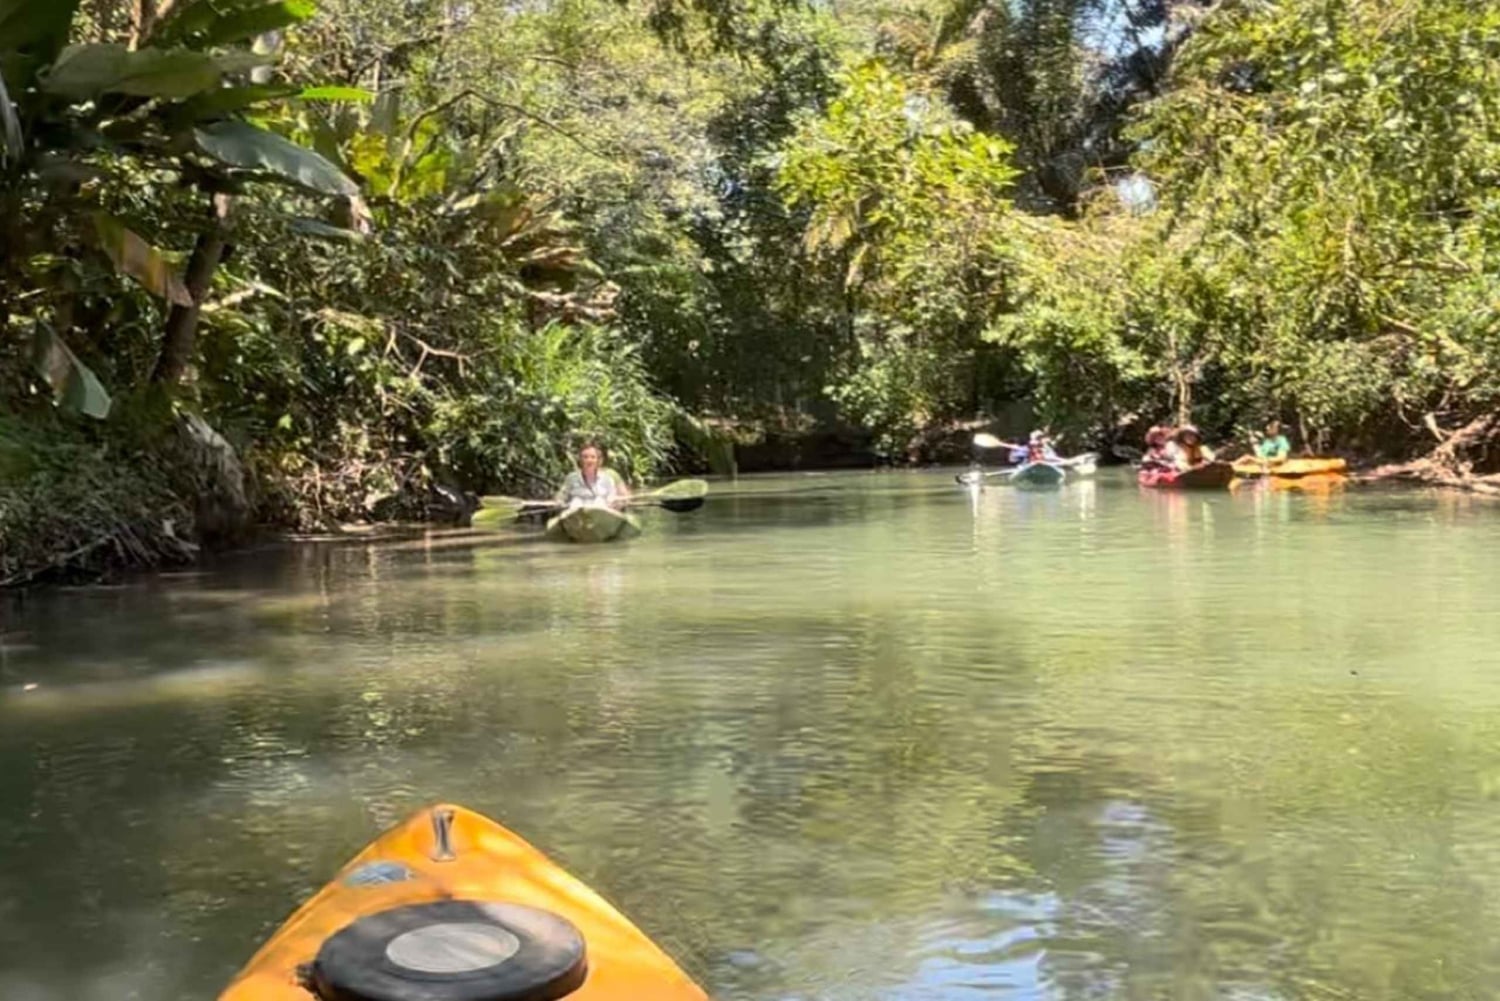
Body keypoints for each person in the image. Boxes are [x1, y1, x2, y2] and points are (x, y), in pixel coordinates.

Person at [555, 442, 630, 510]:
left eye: (593, 457)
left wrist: (618, 503)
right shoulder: (571, 478)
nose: (589, 460)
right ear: (580, 460)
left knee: (599, 501)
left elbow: (623, 497)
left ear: (599, 460)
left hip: (604, 513)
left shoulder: (609, 477)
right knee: (576, 501)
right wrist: (559, 502)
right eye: (585, 457)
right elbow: (561, 497)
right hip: (578, 513)